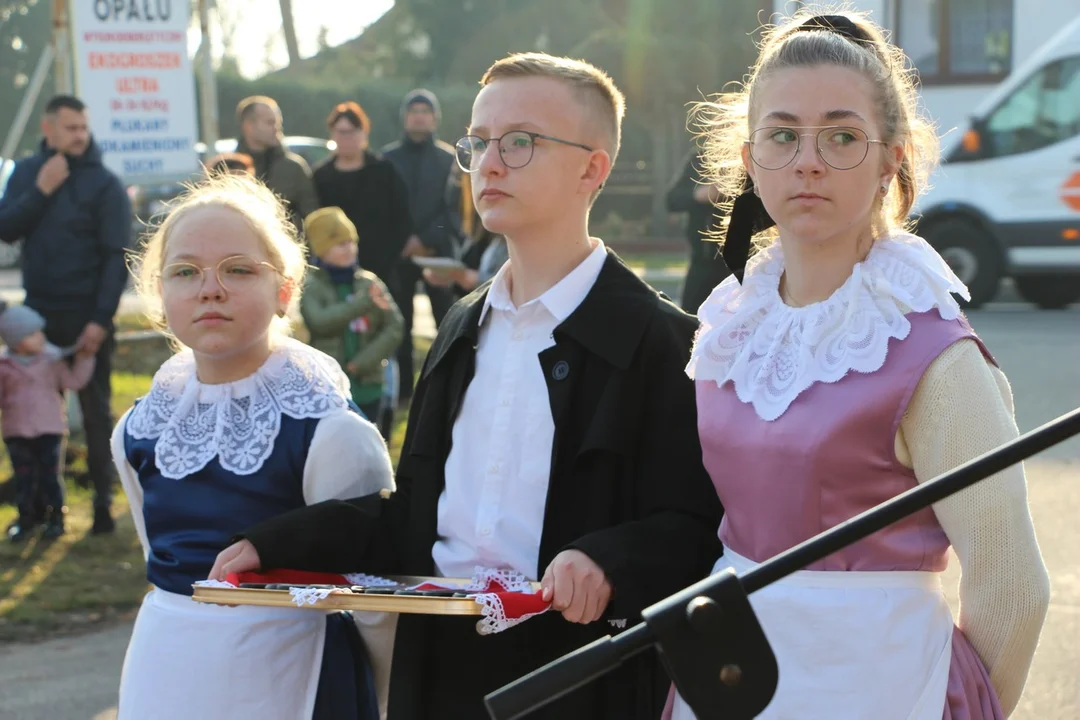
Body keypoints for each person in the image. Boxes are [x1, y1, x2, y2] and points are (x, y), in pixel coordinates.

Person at [210, 52, 723, 719]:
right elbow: (414, 518)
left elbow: (696, 526)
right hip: (442, 669)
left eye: (520, 142)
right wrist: (277, 543)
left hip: (580, 678)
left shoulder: (662, 344)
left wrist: (608, 561)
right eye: (477, 143)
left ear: (592, 168)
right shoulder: (459, 327)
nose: (490, 163)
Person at [672, 10, 1050, 719]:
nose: (808, 161)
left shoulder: (935, 355)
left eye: (842, 136)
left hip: (885, 689)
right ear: (751, 160)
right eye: (783, 135)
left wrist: (962, 706)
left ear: (890, 162)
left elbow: (1012, 588)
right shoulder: (731, 324)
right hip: (729, 685)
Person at [112, 173, 392, 719]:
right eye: (185, 272)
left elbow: (378, 603)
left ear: (284, 290)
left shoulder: (330, 432)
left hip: (291, 678)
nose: (209, 288)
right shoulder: (138, 430)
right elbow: (157, 557)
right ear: (161, 294)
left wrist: (372, 703)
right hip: (164, 674)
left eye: (238, 270)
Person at [0, 94, 132, 535]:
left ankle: (102, 504)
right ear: (49, 127)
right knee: (31, 419)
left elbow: (117, 259)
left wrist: (100, 319)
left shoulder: (105, 185)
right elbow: (6, 228)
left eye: (83, 127)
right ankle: (38, 511)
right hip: (37, 321)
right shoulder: (27, 173)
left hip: (88, 317)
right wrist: (41, 190)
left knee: (96, 414)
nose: (80, 135)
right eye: (71, 127)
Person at [381, 89, 461, 401]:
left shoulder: (448, 159)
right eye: (413, 111)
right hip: (398, 255)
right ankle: (403, 392)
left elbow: (452, 208)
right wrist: (404, 241)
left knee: (447, 321)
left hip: (436, 255)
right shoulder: (387, 159)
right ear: (405, 118)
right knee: (400, 324)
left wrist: (425, 240)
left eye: (425, 112)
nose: (419, 117)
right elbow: (383, 209)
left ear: (435, 118)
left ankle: (447, 386)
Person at [301, 206, 404, 440]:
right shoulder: (312, 286)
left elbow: (394, 326)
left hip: (368, 383)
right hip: (327, 385)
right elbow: (319, 322)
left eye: (351, 242)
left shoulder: (369, 283)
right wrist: (362, 304)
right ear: (322, 250)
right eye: (339, 244)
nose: (349, 249)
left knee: (370, 440)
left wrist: (364, 361)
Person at [0, 302, 95, 541]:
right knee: (24, 479)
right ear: (16, 339)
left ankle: (56, 520)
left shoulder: (52, 360)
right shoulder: (4, 367)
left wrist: (85, 358)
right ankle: (26, 521)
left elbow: (73, 382)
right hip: (17, 431)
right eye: (32, 333)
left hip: (49, 429)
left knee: (50, 477)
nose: (40, 336)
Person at [312, 102, 412, 298]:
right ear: (332, 134)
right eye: (341, 132)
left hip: (381, 270)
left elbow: (402, 217)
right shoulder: (321, 176)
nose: (346, 138)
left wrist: (390, 256)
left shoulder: (384, 172)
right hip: (333, 274)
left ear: (363, 133)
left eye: (352, 132)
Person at [234, 95, 319, 232]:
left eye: (278, 123)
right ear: (249, 126)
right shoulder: (229, 168)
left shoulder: (294, 167)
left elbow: (312, 218)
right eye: (270, 122)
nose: (277, 128)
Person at [665, 151, 731, 312]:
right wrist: (699, 194)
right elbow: (672, 200)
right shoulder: (700, 159)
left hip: (739, 266)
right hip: (701, 261)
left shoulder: (752, 158)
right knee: (689, 323)